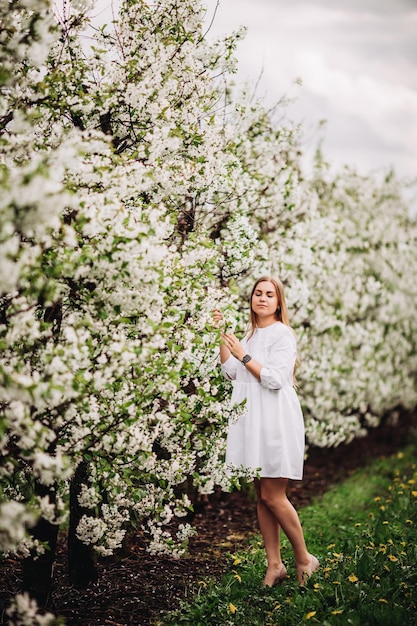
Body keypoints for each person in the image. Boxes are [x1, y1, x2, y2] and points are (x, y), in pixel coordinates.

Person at [213, 276, 319, 586]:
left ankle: (304, 559)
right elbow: (231, 372)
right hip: (253, 419)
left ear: (278, 302)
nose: (262, 298)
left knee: (275, 495)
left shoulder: (282, 334)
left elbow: (273, 377)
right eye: (257, 293)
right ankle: (275, 564)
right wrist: (223, 337)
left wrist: (243, 354)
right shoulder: (252, 334)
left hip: (274, 418)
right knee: (262, 495)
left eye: (269, 294)